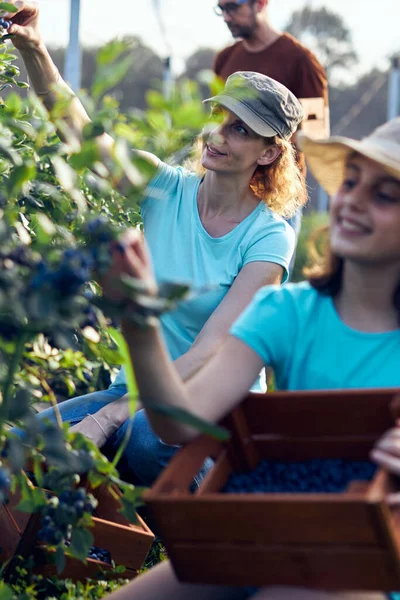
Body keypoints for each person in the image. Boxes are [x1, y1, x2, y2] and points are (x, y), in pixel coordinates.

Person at [99, 117, 400, 599]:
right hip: (265, 537)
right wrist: (140, 323)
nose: (353, 202)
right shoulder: (288, 312)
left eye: (384, 194)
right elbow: (177, 425)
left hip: (370, 566)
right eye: (350, 182)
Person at [7, 1, 306, 487]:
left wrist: (107, 418)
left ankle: (216, 507)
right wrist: (36, 50)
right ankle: (113, 535)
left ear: (270, 152)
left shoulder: (269, 237)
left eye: (241, 130)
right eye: (219, 118)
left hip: (212, 411)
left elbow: (210, 352)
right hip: (135, 392)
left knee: (143, 437)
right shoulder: (164, 188)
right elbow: (77, 129)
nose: (218, 135)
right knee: (29, 442)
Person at [213, 0, 329, 268]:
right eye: (220, 9)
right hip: (226, 195)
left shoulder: (301, 61)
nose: (226, 16)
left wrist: (265, 142)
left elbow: (317, 135)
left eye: (233, 7)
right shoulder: (225, 59)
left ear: (261, 4)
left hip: (275, 201)